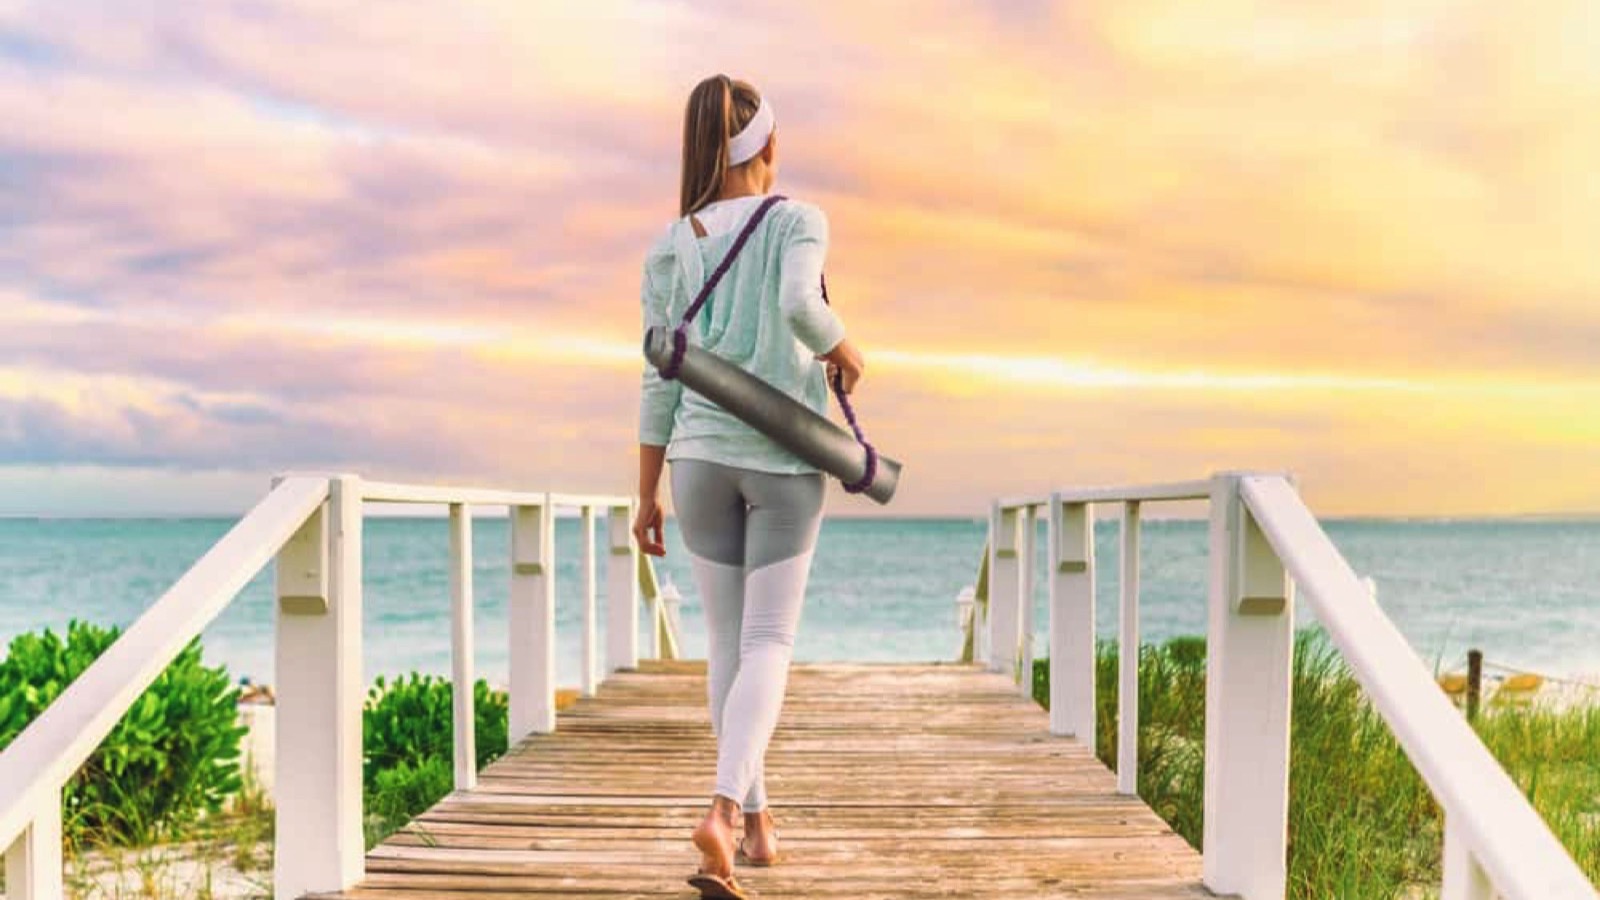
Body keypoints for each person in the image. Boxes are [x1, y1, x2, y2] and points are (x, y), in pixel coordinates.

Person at [632, 73, 866, 899]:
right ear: (766, 145)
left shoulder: (669, 244)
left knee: (728, 648)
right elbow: (804, 306)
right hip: (781, 461)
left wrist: (645, 494)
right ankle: (723, 812)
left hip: (695, 462)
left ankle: (760, 830)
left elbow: (657, 381)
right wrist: (845, 349)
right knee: (768, 644)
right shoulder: (798, 220)